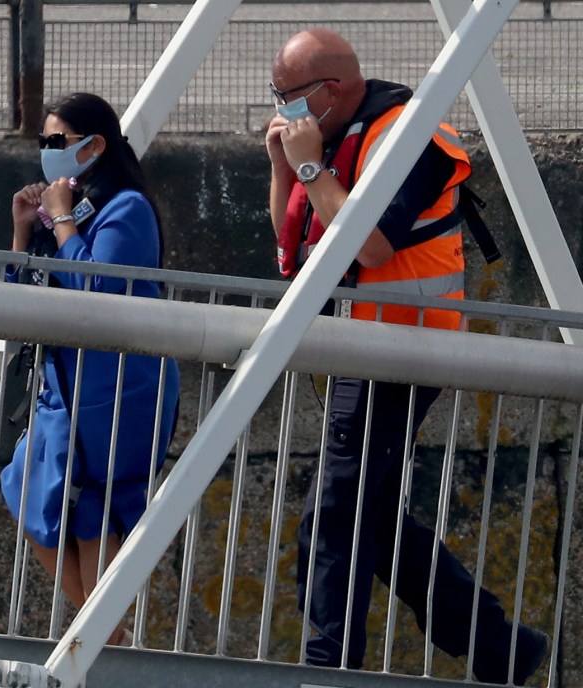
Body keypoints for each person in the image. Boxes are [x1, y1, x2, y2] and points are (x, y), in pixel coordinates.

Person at [265, 28, 549, 682]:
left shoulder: (404, 137)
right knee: (365, 516)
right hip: (365, 347)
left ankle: (327, 667)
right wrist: (286, 166)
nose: (284, 111)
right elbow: (291, 245)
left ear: (330, 90)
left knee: (336, 517)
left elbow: (369, 248)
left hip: (401, 348)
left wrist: (311, 166)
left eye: (290, 97)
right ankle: (500, 648)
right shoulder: (334, 137)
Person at [0, 92, 180, 645]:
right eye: (44, 142)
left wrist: (60, 222)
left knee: (94, 509)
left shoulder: (125, 207)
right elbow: (19, 299)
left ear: (93, 146)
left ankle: (106, 642)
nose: (47, 153)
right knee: (31, 492)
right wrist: (25, 231)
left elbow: (99, 289)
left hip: (118, 387)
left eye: (57, 142)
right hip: (66, 384)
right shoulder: (68, 211)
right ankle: (109, 637)